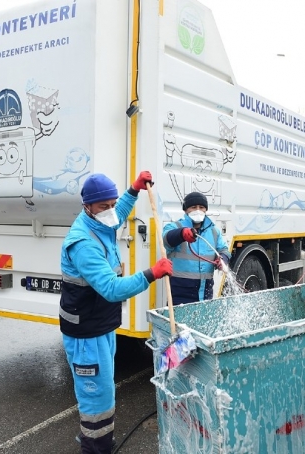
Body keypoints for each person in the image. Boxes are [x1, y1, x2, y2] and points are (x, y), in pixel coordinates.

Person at [59, 171, 173, 454]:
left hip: (101, 325)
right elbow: (111, 288)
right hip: (86, 333)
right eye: (104, 206)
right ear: (88, 206)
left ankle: (101, 442)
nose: (111, 211)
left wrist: (133, 190)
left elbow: (118, 213)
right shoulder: (83, 243)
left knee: (104, 390)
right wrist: (151, 273)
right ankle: (95, 448)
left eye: (112, 203)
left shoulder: (101, 223)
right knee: (95, 398)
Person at [162, 191, 231, 304]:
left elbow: (224, 249)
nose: (198, 210)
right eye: (193, 207)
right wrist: (182, 234)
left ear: (206, 210)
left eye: (201, 207)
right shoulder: (174, 227)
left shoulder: (214, 231)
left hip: (205, 294)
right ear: (185, 210)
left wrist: (223, 258)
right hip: (180, 295)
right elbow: (167, 240)